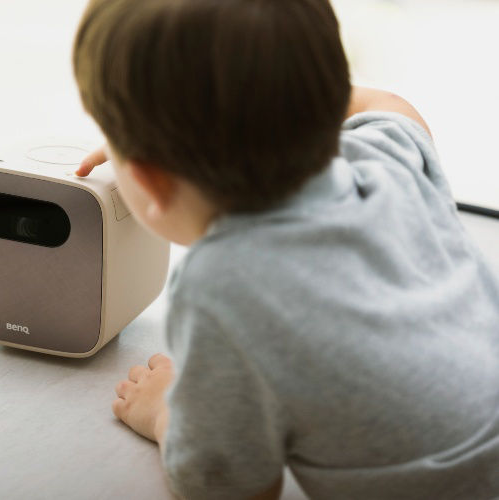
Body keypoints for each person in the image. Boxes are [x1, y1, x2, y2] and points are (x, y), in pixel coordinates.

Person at [71, 0, 499, 498]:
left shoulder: (224, 286)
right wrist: (285, 97)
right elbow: (389, 105)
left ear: (149, 181)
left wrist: (168, 412)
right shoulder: (388, 159)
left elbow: (233, 486)